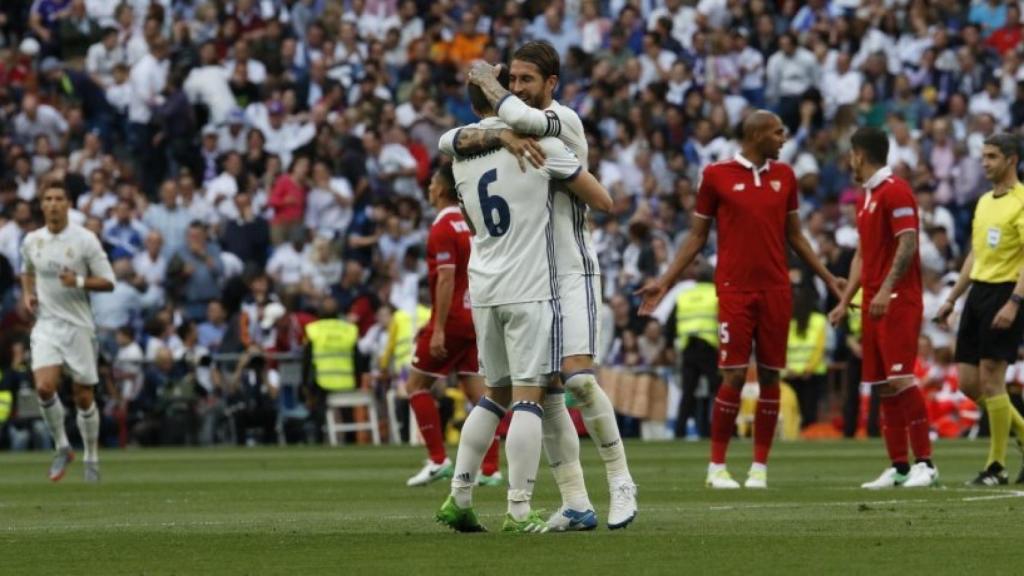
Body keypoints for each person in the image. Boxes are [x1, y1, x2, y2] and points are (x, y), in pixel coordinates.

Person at [442, 40, 637, 531]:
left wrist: (487, 86)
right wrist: (496, 133)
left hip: (570, 270)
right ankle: (575, 502)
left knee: (578, 381)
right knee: (547, 393)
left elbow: (468, 138)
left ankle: (620, 481)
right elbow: (452, 139)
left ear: (552, 84)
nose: (519, 89)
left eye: (528, 81)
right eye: (514, 81)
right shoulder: (507, 132)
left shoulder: (560, 122)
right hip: (533, 278)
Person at [637, 110, 844, 489]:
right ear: (757, 134)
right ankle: (717, 467)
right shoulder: (716, 176)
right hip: (734, 290)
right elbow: (697, 236)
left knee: (770, 375)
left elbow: (796, 236)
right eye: (778, 132)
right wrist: (665, 281)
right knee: (732, 374)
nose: (784, 139)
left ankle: (759, 468)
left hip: (776, 289)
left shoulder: (785, 177)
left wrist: (829, 278)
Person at [829, 127, 939, 489]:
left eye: (850, 154)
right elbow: (863, 253)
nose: (849, 161)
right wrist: (845, 302)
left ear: (860, 154)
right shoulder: (866, 197)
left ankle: (926, 463)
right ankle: (900, 467)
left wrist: (886, 288)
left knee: (899, 377)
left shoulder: (896, 190)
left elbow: (908, 243)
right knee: (881, 386)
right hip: (872, 302)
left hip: (898, 299)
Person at [403, 164, 502, 488]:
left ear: (442, 189)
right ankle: (490, 469)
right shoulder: (470, 224)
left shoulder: (443, 228)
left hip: (453, 321)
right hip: (474, 316)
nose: (429, 188)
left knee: (416, 387)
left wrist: (440, 328)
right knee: (481, 396)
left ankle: (436, 460)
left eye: (432, 183)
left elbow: (446, 279)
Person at [935, 133, 1024, 485]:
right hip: (978, 294)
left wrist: (1015, 302)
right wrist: (952, 298)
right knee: (969, 384)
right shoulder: (985, 201)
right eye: (983, 156)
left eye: (991, 156)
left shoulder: (1021, 201)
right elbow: (975, 255)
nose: (984, 162)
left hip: (1006, 292)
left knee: (992, 378)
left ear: (1011, 160)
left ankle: (996, 466)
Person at [20, 183, 114, 482]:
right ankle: (63, 447)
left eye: (59, 198)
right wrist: (27, 294)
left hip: (79, 326)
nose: (53, 204)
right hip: (47, 324)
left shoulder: (85, 240)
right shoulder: (32, 240)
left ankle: (91, 458)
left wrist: (79, 282)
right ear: (42, 205)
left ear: (68, 204)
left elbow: (109, 281)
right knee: (45, 388)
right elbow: (26, 270)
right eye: (47, 199)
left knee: (83, 395)